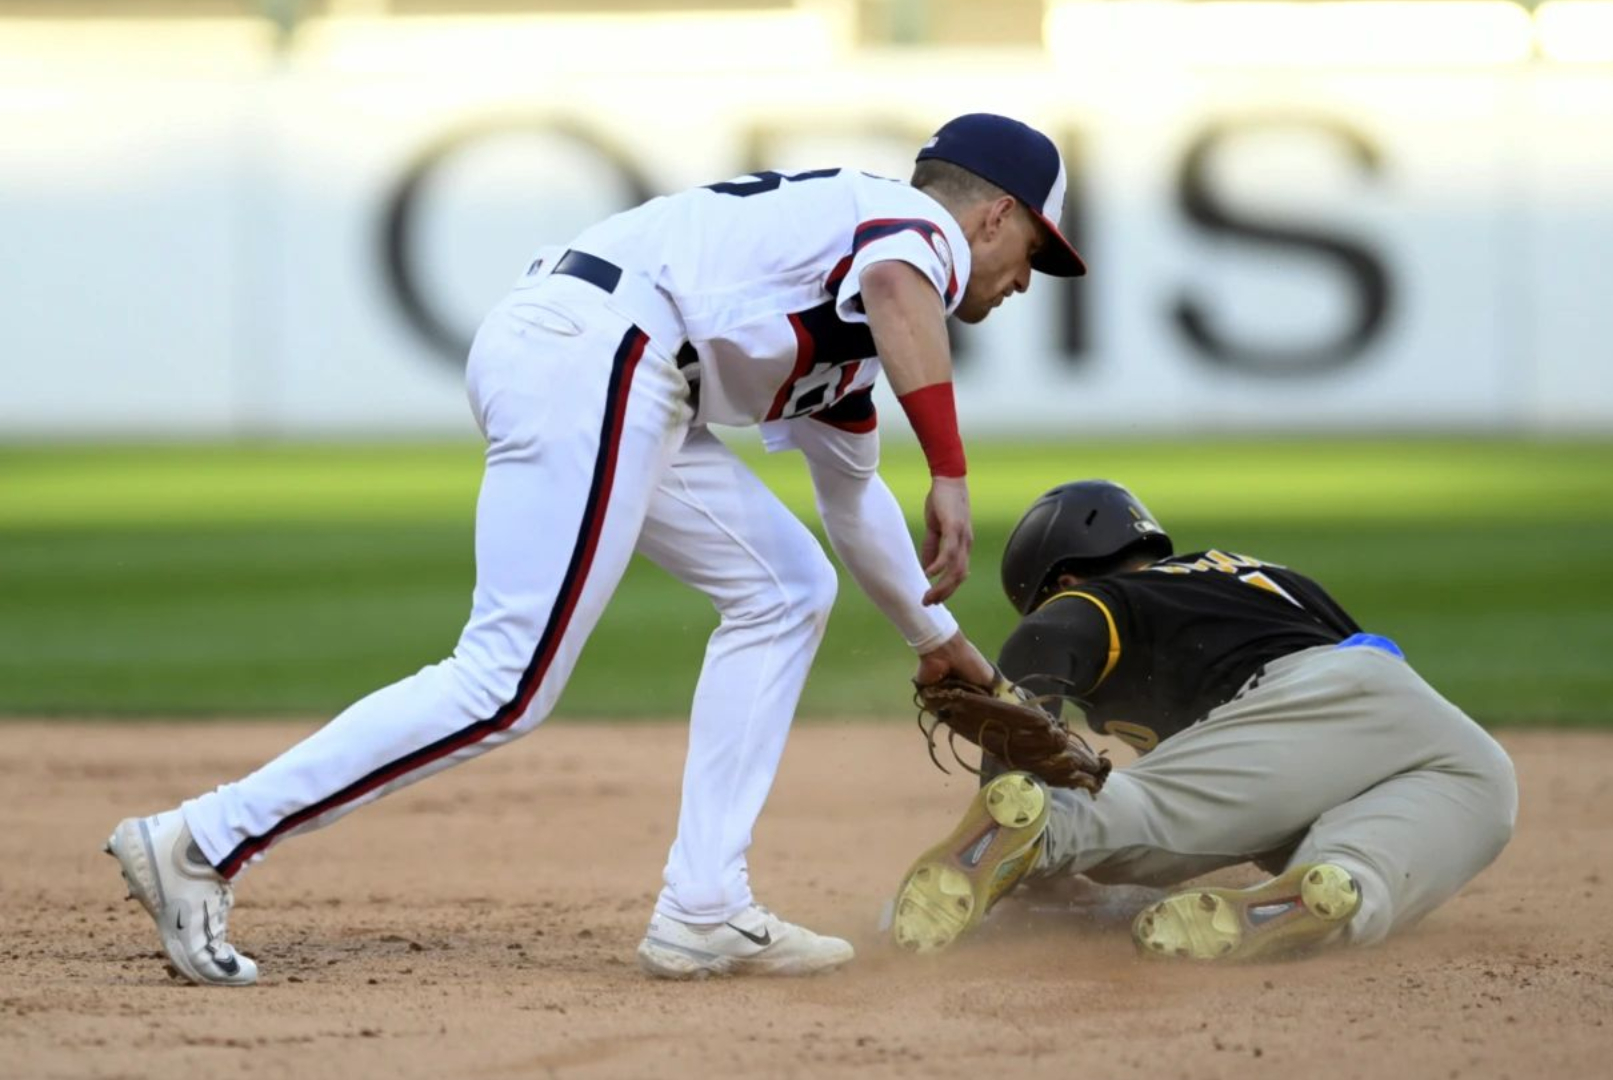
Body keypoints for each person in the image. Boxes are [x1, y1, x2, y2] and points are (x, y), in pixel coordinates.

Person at [105, 113, 1087, 986]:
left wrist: (934, 637)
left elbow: (852, 496)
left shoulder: (849, 328)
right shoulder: (908, 231)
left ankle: (703, 909)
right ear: (997, 214)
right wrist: (951, 470)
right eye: (1032, 255)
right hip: (608, 349)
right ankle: (204, 840)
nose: (1019, 284)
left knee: (785, 589)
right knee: (506, 681)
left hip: (610, 358)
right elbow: (897, 281)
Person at [890, 480, 1518, 963]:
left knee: (1153, 820)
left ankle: (1039, 836)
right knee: (1479, 789)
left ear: (1068, 578)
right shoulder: (1256, 579)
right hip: (1408, 709)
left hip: (1291, 699)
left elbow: (1042, 639)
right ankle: (1336, 883)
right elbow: (1315, 761)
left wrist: (1010, 773)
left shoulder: (1108, 594)